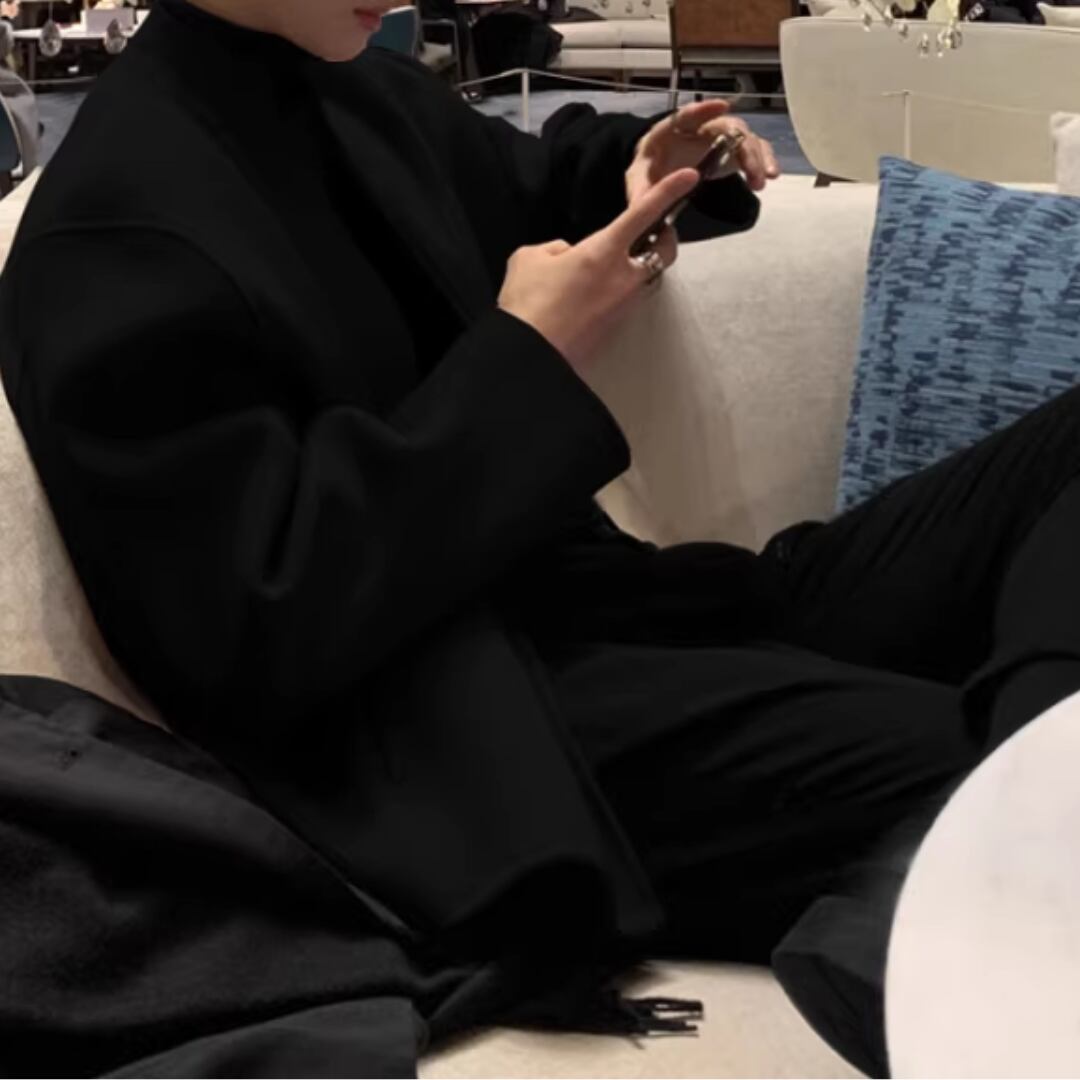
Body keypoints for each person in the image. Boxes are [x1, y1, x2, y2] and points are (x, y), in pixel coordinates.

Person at [3, 0, 1080, 1076]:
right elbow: (257, 628)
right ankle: (989, 868)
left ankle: (1019, 818)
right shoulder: (112, 232)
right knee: (973, 770)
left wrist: (653, 166)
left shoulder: (349, 86)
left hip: (633, 609)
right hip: (491, 735)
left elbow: (520, 179)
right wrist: (526, 353)